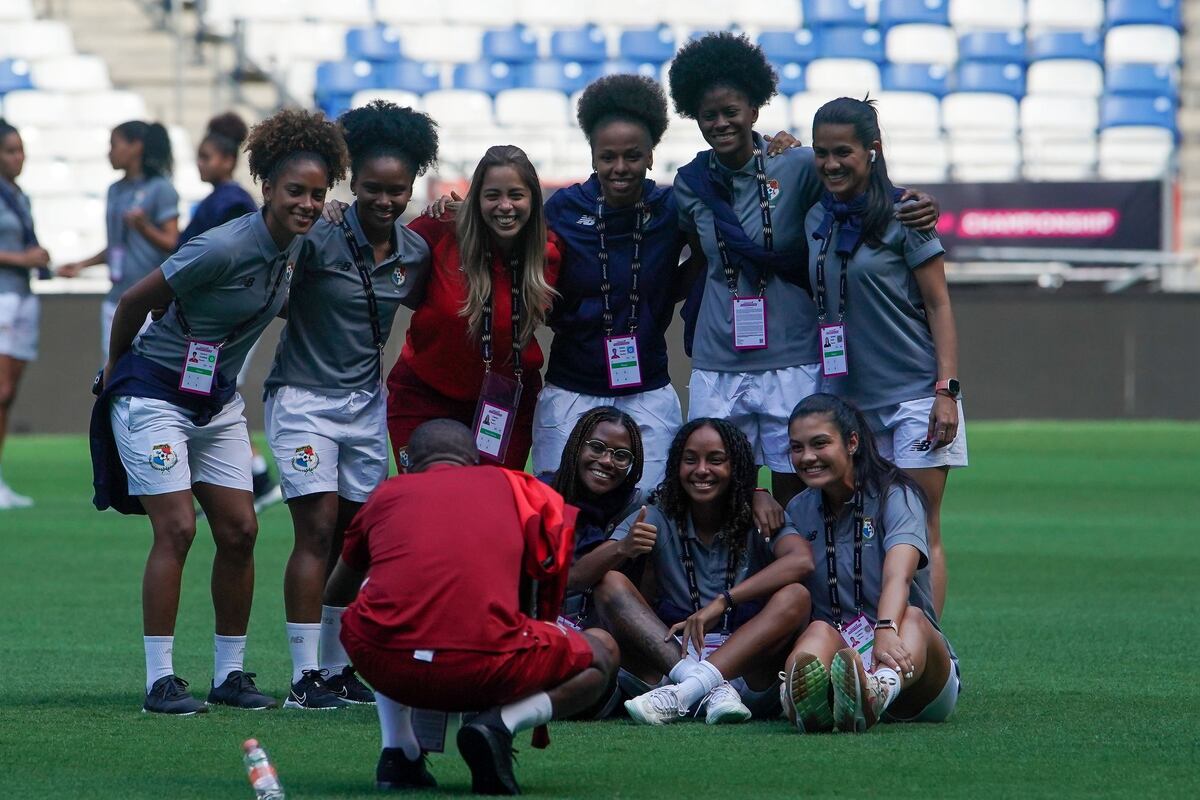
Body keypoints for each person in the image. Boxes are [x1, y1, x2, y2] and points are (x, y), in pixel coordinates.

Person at [89, 108, 349, 714]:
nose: (307, 204)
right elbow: (134, 299)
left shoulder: (296, 249)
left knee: (241, 530)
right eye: (295, 192)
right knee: (178, 529)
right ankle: (160, 681)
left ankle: (229, 677)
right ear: (266, 188)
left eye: (317, 195)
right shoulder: (225, 245)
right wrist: (114, 372)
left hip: (216, 402)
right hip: (153, 391)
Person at [667, 33, 939, 508]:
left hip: (795, 355)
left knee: (799, 495)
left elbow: (860, 187)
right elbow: (699, 254)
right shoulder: (689, 184)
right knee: (718, 495)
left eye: (731, 109)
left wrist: (915, 205)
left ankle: (792, 583)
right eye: (708, 114)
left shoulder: (797, 165)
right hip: (718, 359)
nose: (720, 122)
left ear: (755, 106)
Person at [534, 74, 801, 492]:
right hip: (571, 387)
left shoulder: (669, 204)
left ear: (651, 156)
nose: (620, 168)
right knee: (558, 509)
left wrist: (771, 145)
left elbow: (702, 255)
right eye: (607, 157)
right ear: (592, 156)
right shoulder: (564, 209)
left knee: (651, 511)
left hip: (650, 388)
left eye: (632, 156)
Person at [332, 420, 618, 795]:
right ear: (474, 460)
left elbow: (338, 590)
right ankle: (499, 724)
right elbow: (545, 572)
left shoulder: (386, 493)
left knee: (376, 601)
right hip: (484, 663)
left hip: (383, 661)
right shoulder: (515, 488)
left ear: (409, 460)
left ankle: (398, 753)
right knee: (603, 652)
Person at [264, 100, 437, 710]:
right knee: (314, 530)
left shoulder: (414, 253)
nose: (384, 201)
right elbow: (272, 282)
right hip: (303, 402)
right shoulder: (318, 236)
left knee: (354, 540)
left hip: (367, 406)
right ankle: (303, 675)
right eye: (370, 188)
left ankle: (338, 671)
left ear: (414, 182)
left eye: (397, 190)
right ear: (350, 181)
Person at [806, 97, 966, 616]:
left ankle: (927, 653)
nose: (831, 164)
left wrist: (947, 392)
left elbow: (940, 305)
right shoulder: (815, 217)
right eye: (821, 152)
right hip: (846, 405)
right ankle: (872, 645)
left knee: (917, 530)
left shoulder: (907, 215)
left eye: (843, 152)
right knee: (863, 532)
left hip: (915, 399)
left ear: (872, 150)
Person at [590, 417, 813, 725]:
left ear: (736, 468)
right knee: (611, 582)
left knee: (796, 595)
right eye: (690, 460)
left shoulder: (761, 513)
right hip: (672, 668)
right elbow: (584, 575)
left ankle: (694, 688)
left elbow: (801, 561)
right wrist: (621, 548)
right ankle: (699, 684)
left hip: (746, 676)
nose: (701, 470)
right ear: (676, 467)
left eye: (716, 460)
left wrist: (724, 600)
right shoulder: (658, 515)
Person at [782, 393, 958, 733]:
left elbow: (899, 576)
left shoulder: (897, 494)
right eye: (796, 448)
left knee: (915, 618)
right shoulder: (798, 510)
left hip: (912, 665)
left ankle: (877, 691)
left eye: (820, 444)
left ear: (851, 442)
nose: (807, 457)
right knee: (818, 631)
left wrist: (886, 630)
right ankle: (802, 698)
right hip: (843, 659)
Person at [386, 145, 559, 470]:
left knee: (488, 509)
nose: (505, 206)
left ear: (533, 200)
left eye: (516, 195)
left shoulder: (547, 254)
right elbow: (381, 247)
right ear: (477, 197)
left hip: (506, 401)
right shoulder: (441, 228)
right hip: (424, 396)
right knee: (428, 506)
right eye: (492, 195)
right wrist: (334, 213)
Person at [177, 111, 279, 512]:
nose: (202, 164)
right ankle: (239, 479)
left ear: (227, 159)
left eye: (207, 157)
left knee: (214, 392)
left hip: (226, 321)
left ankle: (253, 477)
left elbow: (236, 262)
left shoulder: (233, 202)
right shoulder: (217, 200)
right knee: (207, 391)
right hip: (213, 319)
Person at [58, 120, 180, 357]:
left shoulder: (160, 188)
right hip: (116, 297)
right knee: (111, 369)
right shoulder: (114, 189)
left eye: (114, 144)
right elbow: (117, 246)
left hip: (149, 301)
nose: (109, 152)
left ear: (136, 146)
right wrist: (82, 264)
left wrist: (144, 227)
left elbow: (172, 242)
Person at [0, 119, 48, 509]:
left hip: (23, 294)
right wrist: (23, 258)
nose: (19, 158)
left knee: (7, 394)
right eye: (10, 150)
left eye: (20, 150)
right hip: (3, 295)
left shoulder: (20, 195)